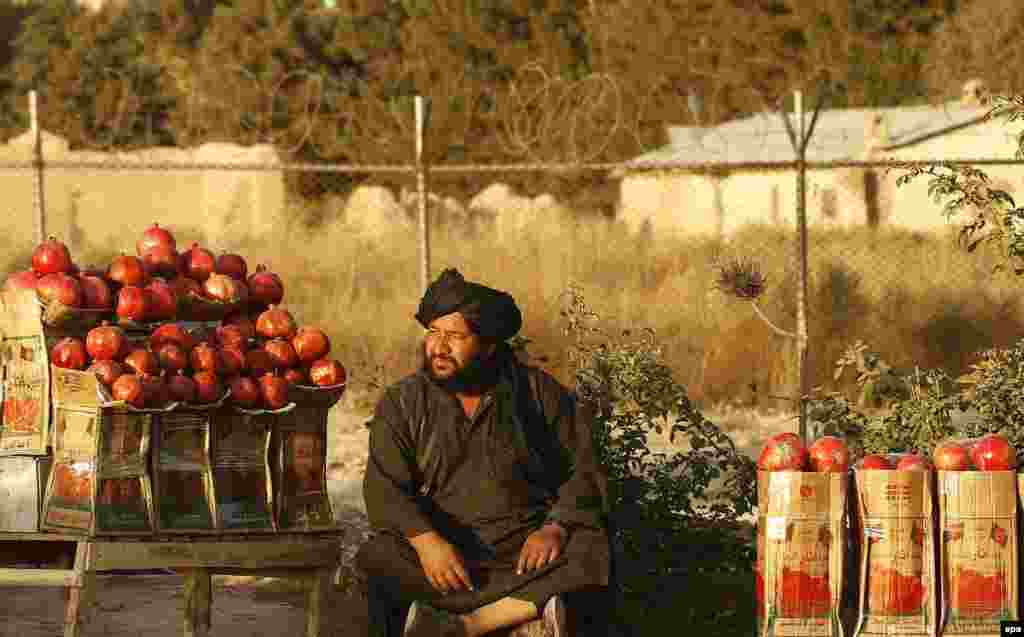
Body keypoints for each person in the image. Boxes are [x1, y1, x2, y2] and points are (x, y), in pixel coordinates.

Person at [356, 269, 611, 637]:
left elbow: (584, 466)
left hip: (522, 555)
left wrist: (556, 527)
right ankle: (523, 613)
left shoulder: (538, 393)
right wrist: (426, 543)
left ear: (489, 345)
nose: (439, 347)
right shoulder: (403, 402)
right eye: (433, 333)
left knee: (590, 549)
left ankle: (472, 623)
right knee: (377, 555)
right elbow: (384, 488)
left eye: (455, 336)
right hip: (446, 563)